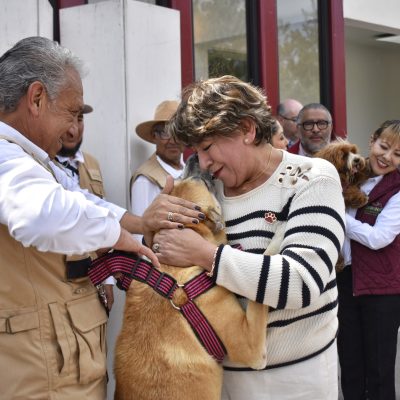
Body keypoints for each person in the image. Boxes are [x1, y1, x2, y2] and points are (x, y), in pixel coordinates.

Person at [0, 36, 201, 399]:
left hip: (56, 363)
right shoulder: (4, 157)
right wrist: (120, 238)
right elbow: (40, 216)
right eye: (70, 111)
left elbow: (75, 196)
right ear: (36, 98)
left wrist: (139, 224)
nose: (73, 128)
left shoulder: (28, 157)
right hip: (40, 375)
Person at [143, 75, 346, 399]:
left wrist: (205, 254)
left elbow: (301, 283)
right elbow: (169, 269)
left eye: (207, 147)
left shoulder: (313, 179)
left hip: (297, 381)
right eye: (196, 150)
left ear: (248, 129)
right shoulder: (201, 186)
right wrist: (151, 230)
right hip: (216, 379)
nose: (203, 162)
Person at [337, 120, 400, 400]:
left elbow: (378, 238)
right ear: (372, 140)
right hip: (345, 280)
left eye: (398, 154)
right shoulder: (351, 174)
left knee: (378, 370)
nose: (387, 157)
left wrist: (336, 213)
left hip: (382, 290)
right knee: (349, 364)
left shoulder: (397, 190)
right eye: (384, 147)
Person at [56, 104, 114, 311]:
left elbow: (103, 219)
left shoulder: (91, 163)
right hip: (58, 280)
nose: (74, 130)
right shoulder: (41, 164)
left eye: (79, 120)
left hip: (92, 275)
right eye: (68, 120)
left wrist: (108, 279)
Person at [130, 100, 185, 238]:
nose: (172, 140)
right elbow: (140, 234)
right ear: (154, 136)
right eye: (165, 133)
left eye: (177, 131)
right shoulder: (145, 179)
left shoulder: (192, 171)